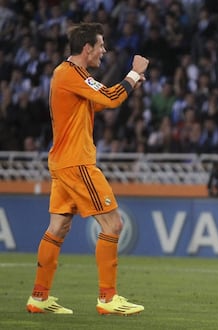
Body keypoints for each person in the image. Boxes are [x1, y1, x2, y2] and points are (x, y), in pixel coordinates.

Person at [26, 22, 149, 315]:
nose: (104, 51)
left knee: (58, 226)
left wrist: (128, 85)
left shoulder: (69, 75)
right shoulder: (70, 74)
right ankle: (108, 299)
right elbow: (111, 98)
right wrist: (133, 73)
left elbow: (100, 102)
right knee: (113, 224)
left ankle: (39, 297)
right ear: (87, 49)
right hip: (77, 162)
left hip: (63, 162)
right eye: (101, 46)